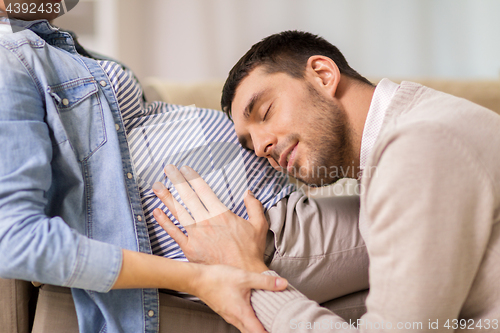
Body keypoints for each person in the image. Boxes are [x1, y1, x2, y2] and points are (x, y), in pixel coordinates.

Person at [0, 5, 369, 332]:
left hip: (273, 219)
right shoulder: (8, 60)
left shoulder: (45, 42)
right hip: (259, 233)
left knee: (403, 307)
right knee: (422, 222)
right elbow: (14, 240)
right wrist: (203, 277)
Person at [152, 30, 500, 332]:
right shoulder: (414, 130)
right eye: (250, 143)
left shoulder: (417, 147)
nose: (261, 148)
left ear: (322, 74)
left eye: (266, 112)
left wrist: (251, 275)